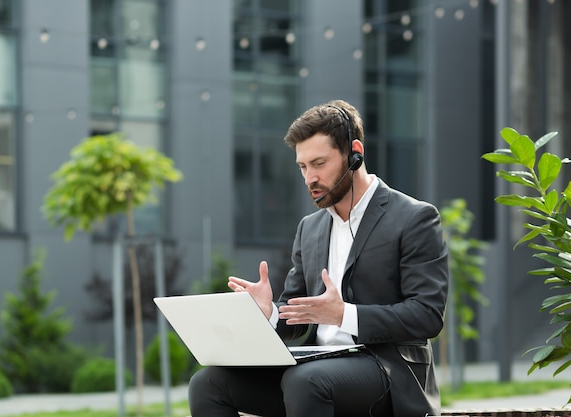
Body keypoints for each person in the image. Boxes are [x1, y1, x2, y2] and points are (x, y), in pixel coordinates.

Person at [188, 99, 449, 417]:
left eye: (319, 163)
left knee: (304, 381)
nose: (309, 177)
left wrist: (344, 315)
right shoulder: (310, 229)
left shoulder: (414, 218)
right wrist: (269, 314)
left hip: (388, 372)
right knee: (207, 383)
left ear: (355, 153)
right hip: (318, 367)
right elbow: (297, 316)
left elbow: (427, 315)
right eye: (302, 166)